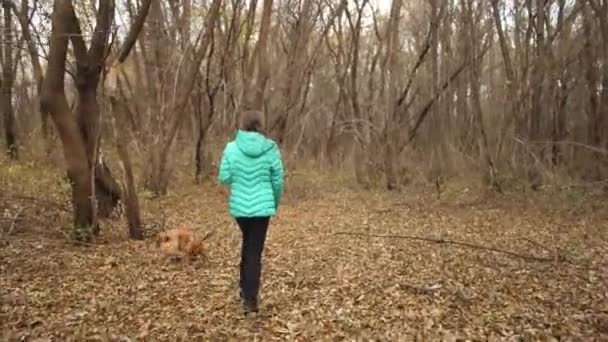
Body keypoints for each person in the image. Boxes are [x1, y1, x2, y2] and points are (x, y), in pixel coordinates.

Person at [217, 109, 284, 314]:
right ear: (260, 124)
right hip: (262, 208)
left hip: (240, 209)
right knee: (254, 251)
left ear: (243, 125)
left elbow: (224, 177)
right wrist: (274, 201)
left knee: (248, 246)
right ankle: (250, 300)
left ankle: (244, 291)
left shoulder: (231, 147)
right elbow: (278, 179)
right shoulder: (270, 148)